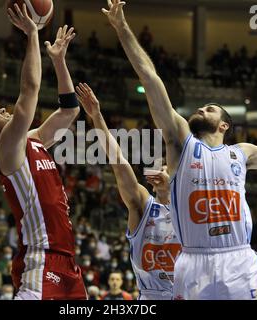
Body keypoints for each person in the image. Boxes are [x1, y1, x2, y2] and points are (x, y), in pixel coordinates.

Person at [103, 0, 257, 300]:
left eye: (209, 108)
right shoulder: (180, 144)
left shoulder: (242, 152)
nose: (201, 108)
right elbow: (150, 78)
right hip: (192, 260)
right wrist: (122, 28)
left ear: (224, 125)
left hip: (237, 258)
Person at [0, 4, 84, 300]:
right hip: (41, 259)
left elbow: (69, 111)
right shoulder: (7, 149)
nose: (2, 110)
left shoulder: (33, 140)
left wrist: (58, 61)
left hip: (68, 262)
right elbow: (29, 91)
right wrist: (32, 34)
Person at [76, 83, 181, 300]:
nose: (162, 172)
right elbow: (118, 162)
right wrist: (97, 117)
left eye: (167, 169)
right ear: (152, 180)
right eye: (159, 168)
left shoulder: (188, 212)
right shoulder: (143, 204)